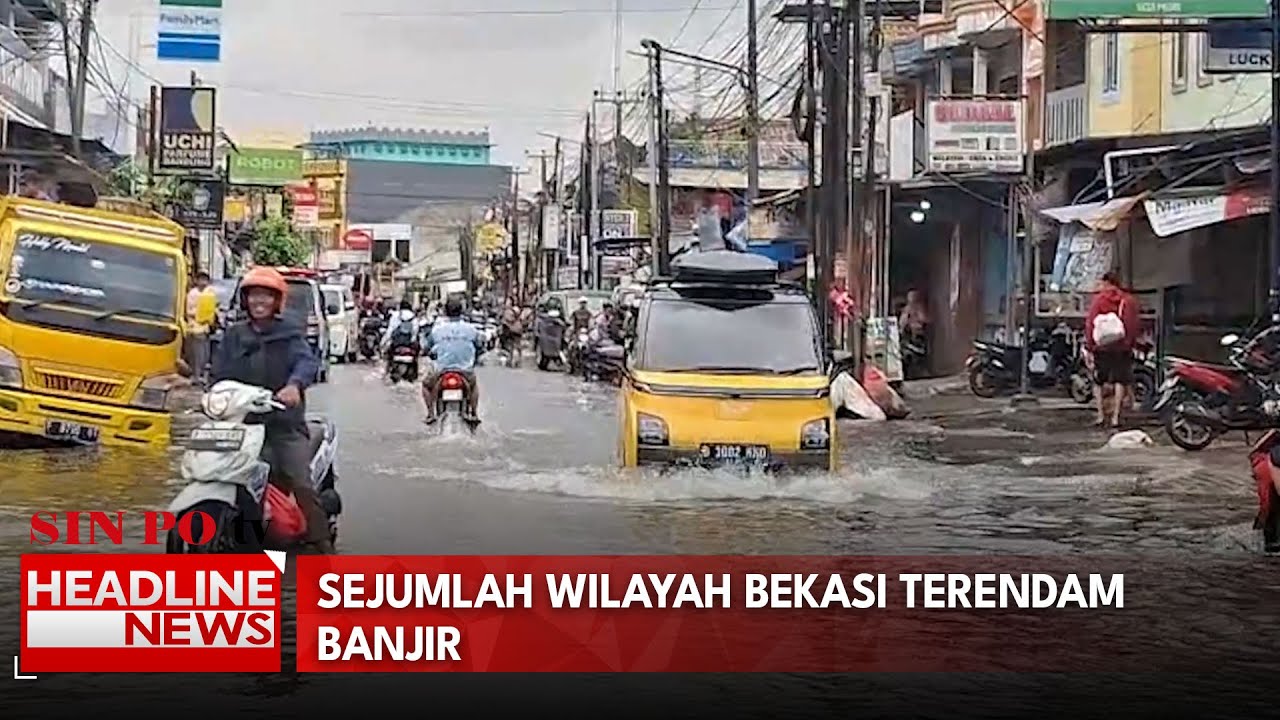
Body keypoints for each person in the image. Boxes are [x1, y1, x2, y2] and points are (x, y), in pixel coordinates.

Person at [209, 267, 330, 553]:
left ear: (277, 302)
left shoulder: (289, 333)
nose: (259, 302)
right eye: (254, 295)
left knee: (301, 481)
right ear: (245, 300)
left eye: (266, 296)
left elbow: (306, 362)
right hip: (242, 424)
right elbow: (218, 371)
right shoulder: (235, 335)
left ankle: (323, 544)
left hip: (283, 425)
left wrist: (294, 386)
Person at [1084, 271, 1140, 429]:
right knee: (1120, 380)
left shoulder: (1098, 300)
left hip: (1101, 346)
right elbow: (1132, 324)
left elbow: (1090, 323)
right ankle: (1116, 417)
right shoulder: (1127, 300)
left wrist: (1090, 345)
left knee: (1099, 381)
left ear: (1106, 282)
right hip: (1121, 347)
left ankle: (1100, 415)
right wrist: (1129, 343)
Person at [421, 295, 485, 423]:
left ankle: (430, 414)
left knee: (425, 385)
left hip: (442, 371)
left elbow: (427, 346)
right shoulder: (471, 329)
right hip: (465, 371)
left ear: (445, 311)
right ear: (461, 311)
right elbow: (480, 345)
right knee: (473, 386)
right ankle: (474, 413)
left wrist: (428, 353)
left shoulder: (437, 330)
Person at [184, 271, 220, 387]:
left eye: (205, 280)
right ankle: (196, 376)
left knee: (204, 353)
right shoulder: (192, 294)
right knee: (196, 354)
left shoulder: (210, 293)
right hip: (195, 328)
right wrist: (200, 313)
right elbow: (189, 311)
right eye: (201, 280)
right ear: (196, 281)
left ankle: (201, 376)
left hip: (206, 328)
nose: (203, 283)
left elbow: (214, 307)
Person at [898, 289, 929, 379]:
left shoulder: (917, 308)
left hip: (918, 335)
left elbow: (924, 318)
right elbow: (903, 322)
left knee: (918, 355)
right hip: (911, 335)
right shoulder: (910, 309)